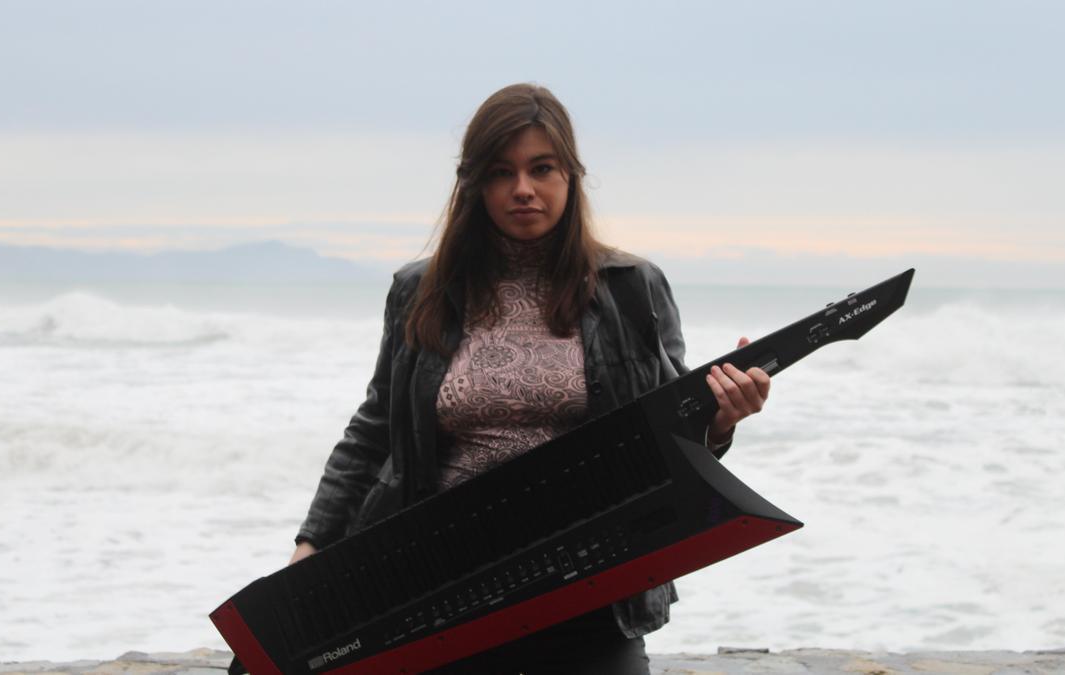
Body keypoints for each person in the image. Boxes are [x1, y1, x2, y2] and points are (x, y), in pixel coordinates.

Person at [289, 83, 771, 674]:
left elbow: (667, 435)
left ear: (571, 175)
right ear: (475, 185)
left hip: (590, 579)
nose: (523, 189)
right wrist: (313, 542)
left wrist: (721, 422)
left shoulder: (630, 288)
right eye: (501, 172)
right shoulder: (422, 291)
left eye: (541, 168)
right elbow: (374, 428)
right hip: (441, 582)